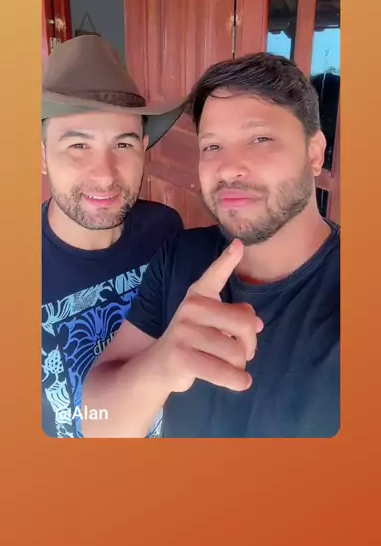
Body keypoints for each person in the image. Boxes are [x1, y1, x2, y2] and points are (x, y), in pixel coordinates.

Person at [82, 52, 340, 438]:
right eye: (212, 147)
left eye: (260, 139)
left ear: (314, 153)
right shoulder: (181, 257)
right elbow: (97, 424)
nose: (228, 167)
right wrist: (160, 366)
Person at [41, 35, 185, 438]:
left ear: (144, 149)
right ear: (41, 155)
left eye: (122, 144)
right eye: (78, 145)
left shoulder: (165, 230)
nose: (105, 175)